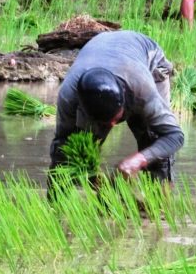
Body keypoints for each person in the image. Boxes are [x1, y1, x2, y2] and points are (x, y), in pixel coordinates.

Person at [49, 30, 184, 185]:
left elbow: (175, 136)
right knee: (80, 147)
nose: (113, 126)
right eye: (105, 123)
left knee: (152, 138)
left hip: (148, 60)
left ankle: (159, 201)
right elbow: (61, 145)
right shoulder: (69, 96)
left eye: (115, 118)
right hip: (100, 51)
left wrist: (139, 160)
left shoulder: (141, 88)